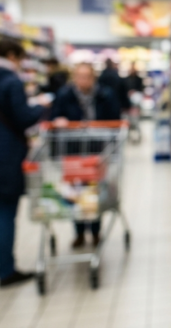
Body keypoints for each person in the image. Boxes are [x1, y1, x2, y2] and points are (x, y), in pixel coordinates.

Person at [0, 40, 47, 287]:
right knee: (5, 212)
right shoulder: (11, 81)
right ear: (12, 56)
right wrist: (40, 107)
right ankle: (7, 271)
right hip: (4, 156)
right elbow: (23, 118)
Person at [51, 63, 121, 248]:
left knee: (95, 191)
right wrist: (60, 121)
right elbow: (55, 115)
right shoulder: (64, 95)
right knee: (75, 192)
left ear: (93, 77)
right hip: (73, 151)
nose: (83, 80)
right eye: (79, 76)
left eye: (87, 76)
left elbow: (115, 118)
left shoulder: (106, 94)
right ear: (74, 77)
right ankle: (79, 232)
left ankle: (96, 232)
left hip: (98, 151)